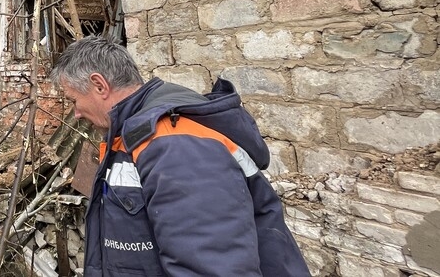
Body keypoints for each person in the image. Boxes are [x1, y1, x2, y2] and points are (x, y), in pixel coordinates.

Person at [49, 35, 309, 276]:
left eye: (73, 100)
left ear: (99, 85)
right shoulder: (131, 135)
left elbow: (212, 266)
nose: (77, 114)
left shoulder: (174, 144)